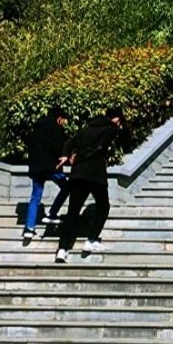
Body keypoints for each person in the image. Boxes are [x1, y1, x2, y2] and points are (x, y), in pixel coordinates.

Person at [55, 107, 124, 263]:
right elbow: (100, 148)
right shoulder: (111, 128)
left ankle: (62, 250)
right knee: (103, 206)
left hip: (77, 174)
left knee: (73, 211)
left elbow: (69, 141)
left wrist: (65, 155)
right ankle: (91, 240)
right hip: (95, 174)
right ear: (117, 120)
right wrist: (80, 157)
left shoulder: (86, 128)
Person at [22, 106, 70, 244]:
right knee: (66, 187)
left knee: (35, 197)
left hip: (36, 168)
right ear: (59, 118)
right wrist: (61, 158)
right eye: (63, 120)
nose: (63, 123)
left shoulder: (35, 130)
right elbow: (57, 147)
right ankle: (52, 213)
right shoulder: (55, 128)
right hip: (51, 167)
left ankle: (29, 228)